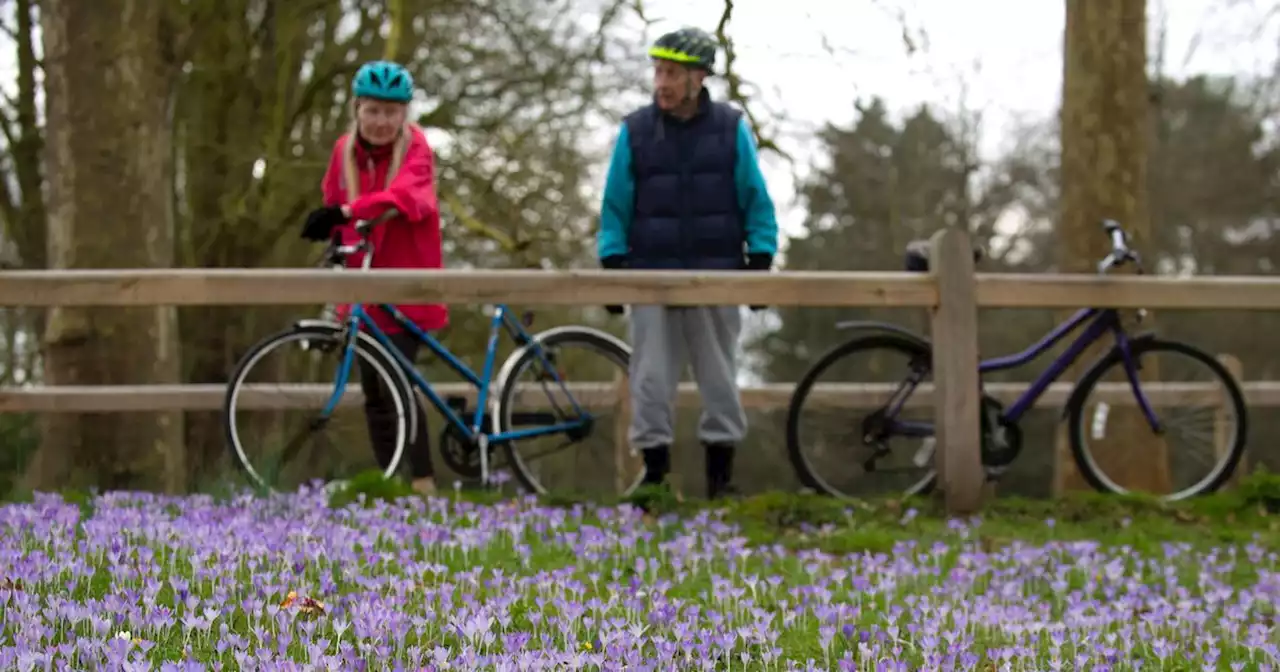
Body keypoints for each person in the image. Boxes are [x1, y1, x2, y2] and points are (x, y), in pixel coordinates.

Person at [597, 27, 779, 499]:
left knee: (719, 376)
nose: (662, 82)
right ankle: (656, 479)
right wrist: (612, 263)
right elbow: (615, 203)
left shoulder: (730, 129)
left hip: (715, 272)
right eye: (658, 72)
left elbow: (756, 198)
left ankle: (721, 482)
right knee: (651, 378)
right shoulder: (634, 131)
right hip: (650, 273)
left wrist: (760, 258)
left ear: (699, 78)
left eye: (672, 73)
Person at [299, 60, 446, 496]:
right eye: (373, 111)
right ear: (358, 109)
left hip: (407, 287)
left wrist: (346, 212)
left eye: (391, 112)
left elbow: (405, 199)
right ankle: (391, 485)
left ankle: (423, 484)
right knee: (374, 394)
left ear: (405, 115)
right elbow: (332, 199)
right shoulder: (343, 150)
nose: (382, 122)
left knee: (397, 383)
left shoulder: (417, 149)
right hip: (361, 289)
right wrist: (332, 235)